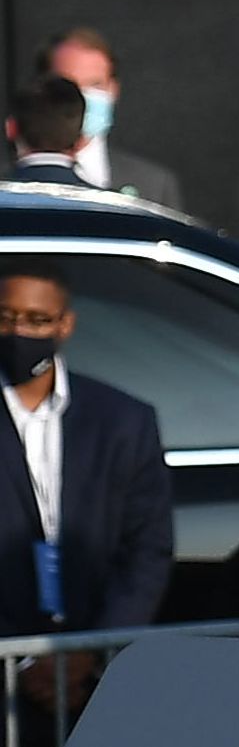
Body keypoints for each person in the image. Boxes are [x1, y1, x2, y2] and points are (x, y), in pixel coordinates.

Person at [0, 264, 172, 639]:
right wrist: (25, 661)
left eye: (37, 320)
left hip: (96, 664)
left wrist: (94, 649)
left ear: (66, 325)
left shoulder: (124, 421)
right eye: (7, 318)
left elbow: (146, 550)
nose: (19, 333)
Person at [27, 27, 179, 212]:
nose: (83, 97)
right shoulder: (9, 181)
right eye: (70, 86)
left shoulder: (154, 185)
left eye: (95, 85)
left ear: (114, 89)